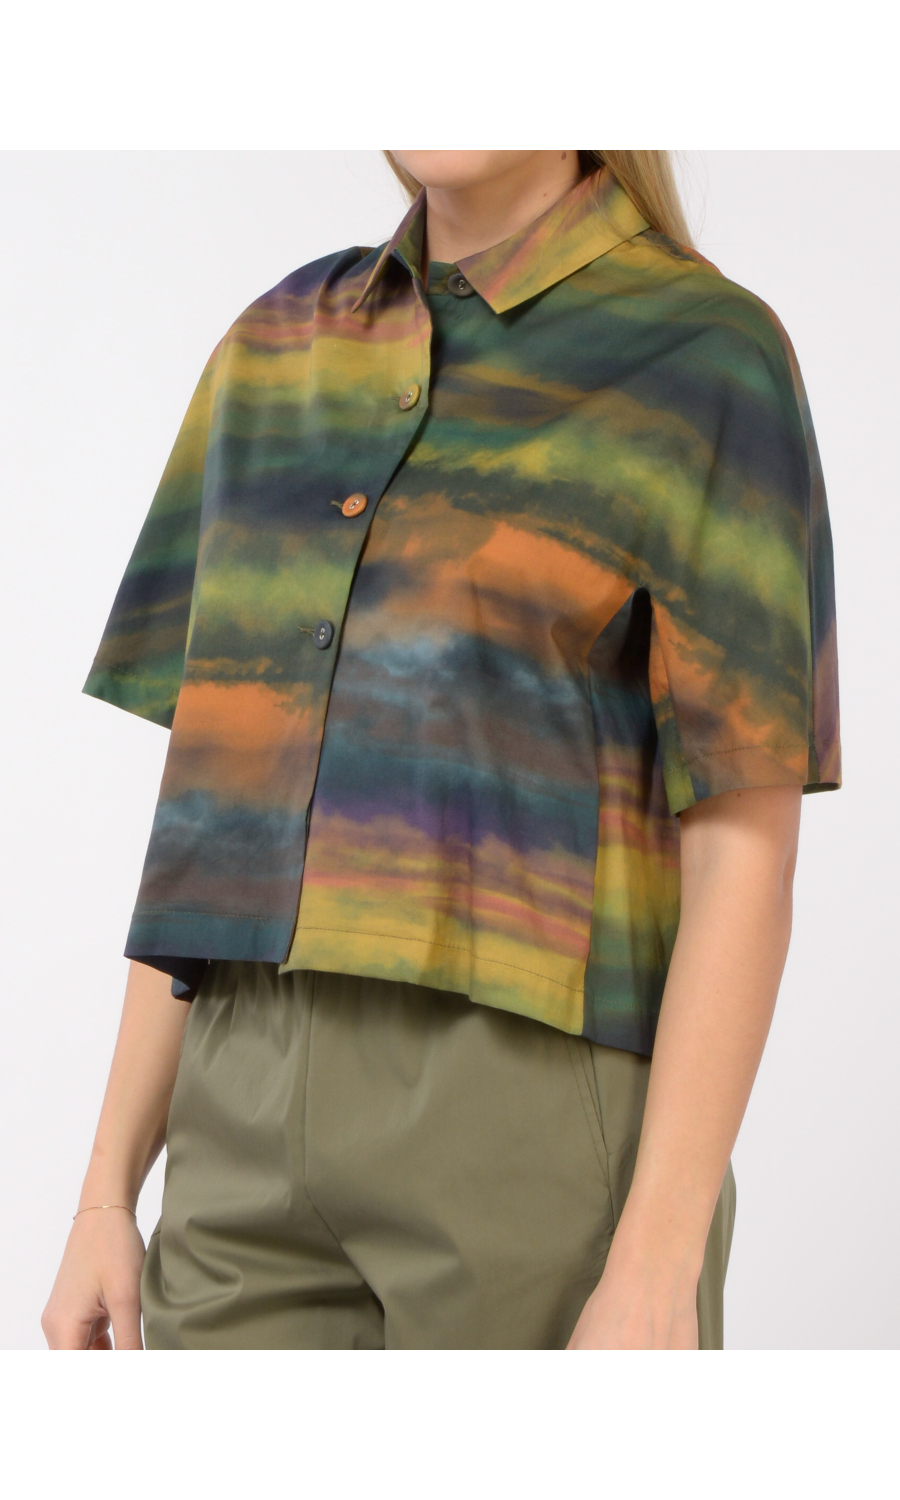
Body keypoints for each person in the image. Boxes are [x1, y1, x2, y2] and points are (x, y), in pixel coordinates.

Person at [42, 150, 840, 1351]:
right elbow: (214, 808)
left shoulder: (705, 355)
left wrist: (659, 1254)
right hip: (238, 1102)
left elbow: (743, 852)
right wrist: (107, 1188)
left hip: (525, 1124)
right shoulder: (274, 346)